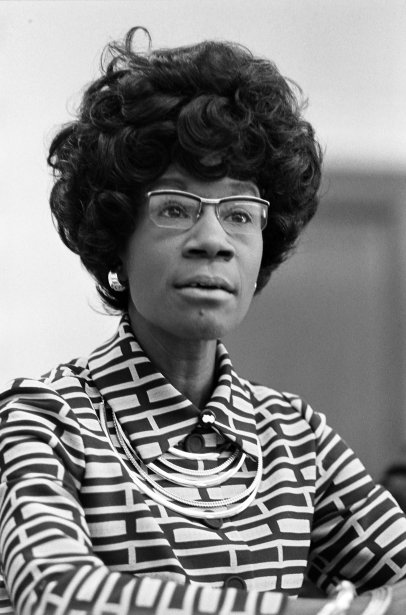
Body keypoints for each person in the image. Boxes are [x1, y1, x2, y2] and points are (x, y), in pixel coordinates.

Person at [1, 27, 406, 615]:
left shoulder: (295, 438)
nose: (213, 240)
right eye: (174, 207)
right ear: (118, 236)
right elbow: (60, 594)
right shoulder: (41, 421)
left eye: (241, 212)